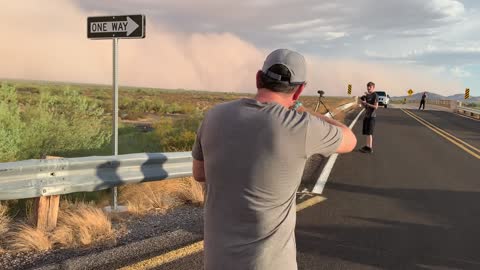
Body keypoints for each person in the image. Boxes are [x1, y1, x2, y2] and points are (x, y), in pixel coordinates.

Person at [192, 49, 357, 270]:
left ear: (259, 78)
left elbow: (199, 174)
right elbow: (350, 139)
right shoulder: (302, 127)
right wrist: (304, 110)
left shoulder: (214, 115)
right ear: (299, 90)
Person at [360, 82, 379, 154]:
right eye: (367, 87)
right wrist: (363, 103)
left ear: (373, 87)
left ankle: (370, 148)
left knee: (370, 133)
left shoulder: (375, 95)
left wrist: (367, 103)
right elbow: (366, 107)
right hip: (367, 116)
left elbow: (376, 107)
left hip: (372, 116)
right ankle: (367, 146)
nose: (368, 88)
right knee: (367, 133)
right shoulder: (367, 96)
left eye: (370, 87)